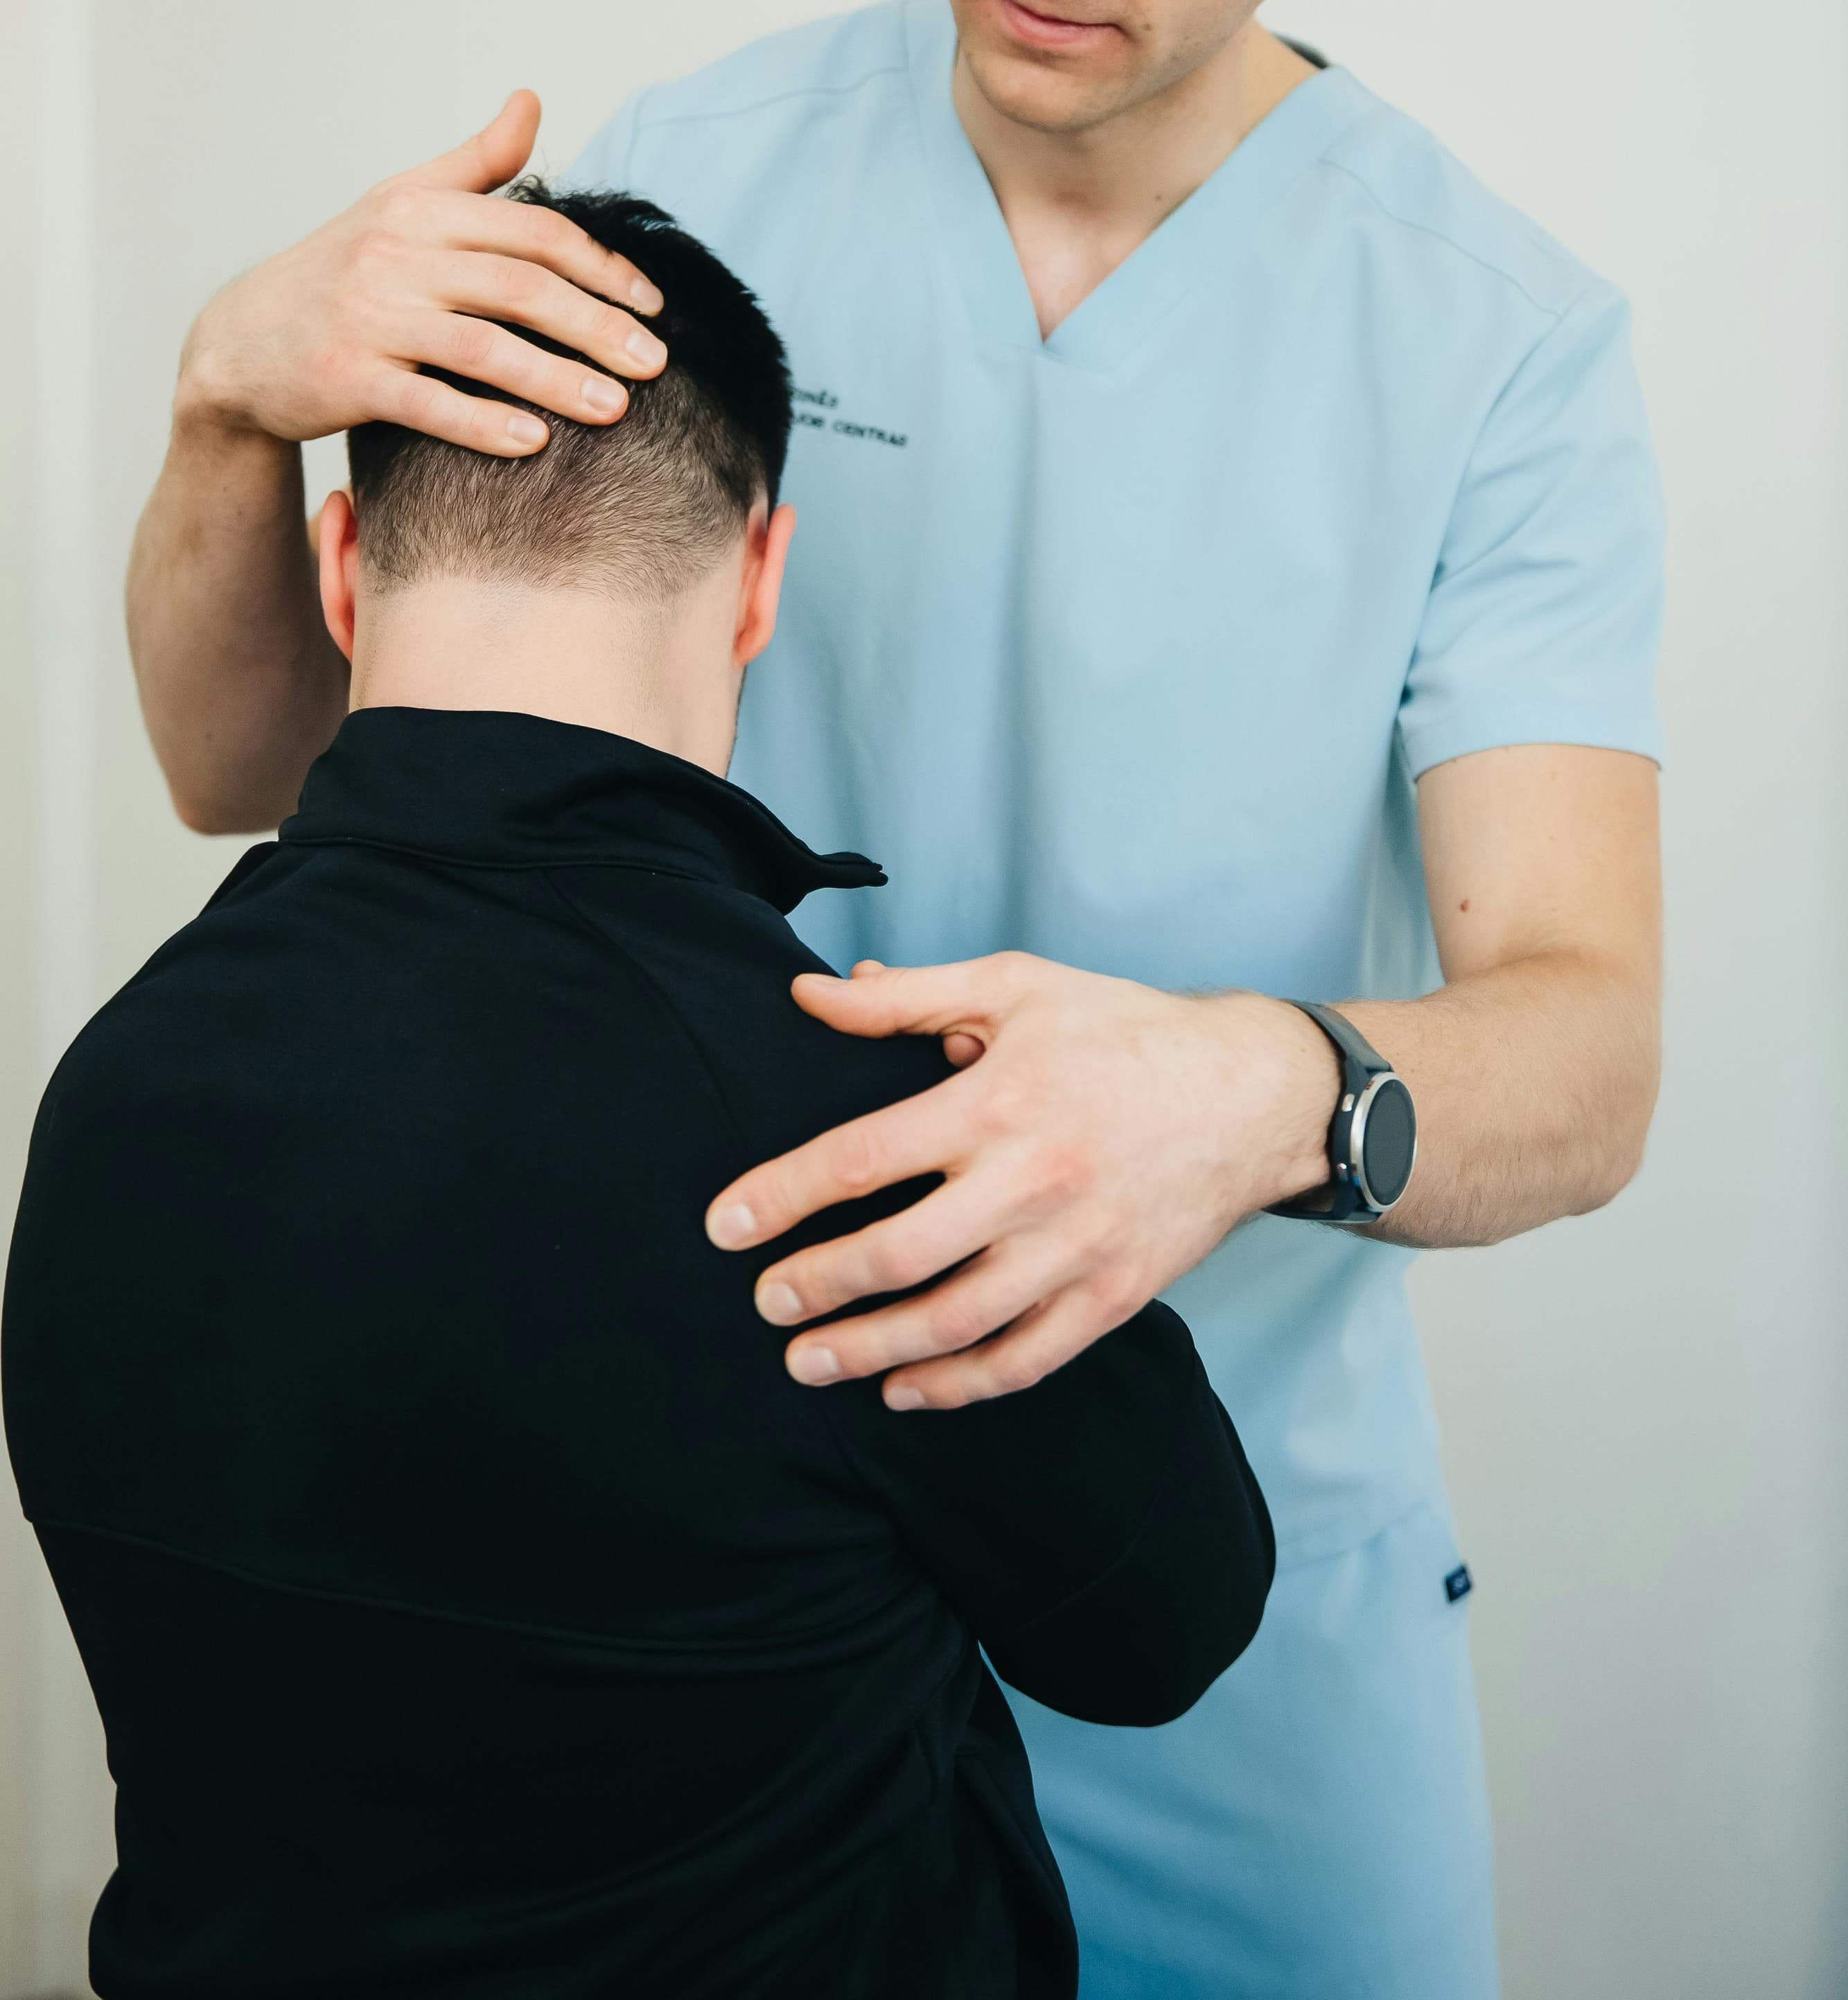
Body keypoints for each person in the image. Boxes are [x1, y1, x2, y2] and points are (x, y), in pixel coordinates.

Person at [122, 3, 1666, 1993]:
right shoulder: (699, 168)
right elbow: (238, 769)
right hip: (730, 1602)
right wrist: (222, 413)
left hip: (1231, 1583)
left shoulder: (1492, 339)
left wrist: (1258, 1093)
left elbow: (1588, 1050)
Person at [3, 185, 1275, 2000]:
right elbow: (1165, 1626)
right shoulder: (862, 1134)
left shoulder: (114, 1080)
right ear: (759, 576)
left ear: (347, 561)